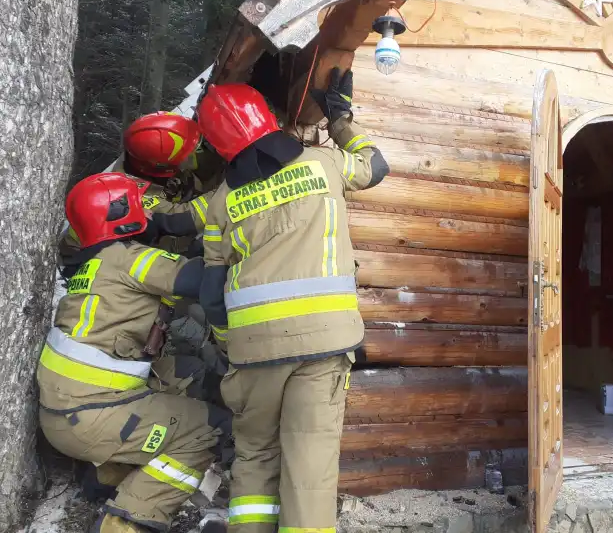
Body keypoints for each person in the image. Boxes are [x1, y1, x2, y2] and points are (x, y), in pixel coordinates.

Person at [196, 68, 389, 532]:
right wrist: (341, 118)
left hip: (252, 355)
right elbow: (375, 165)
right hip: (322, 350)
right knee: (309, 469)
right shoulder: (323, 164)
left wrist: (230, 346)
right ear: (267, 120)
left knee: (256, 459)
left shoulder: (221, 201)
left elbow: (211, 293)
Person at [38, 172, 231, 533]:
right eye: (139, 202)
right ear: (120, 213)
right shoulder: (125, 258)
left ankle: (107, 473)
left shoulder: (91, 263)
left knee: (189, 373)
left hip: (68, 412)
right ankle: (127, 521)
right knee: (211, 428)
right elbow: (198, 280)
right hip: (93, 415)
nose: (147, 207)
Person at [60, 113, 218, 259]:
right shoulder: (131, 196)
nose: (195, 154)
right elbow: (182, 219)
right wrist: (231, 189)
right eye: (189, 154)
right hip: (139, 252)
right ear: (164, 167)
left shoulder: (145, 151)